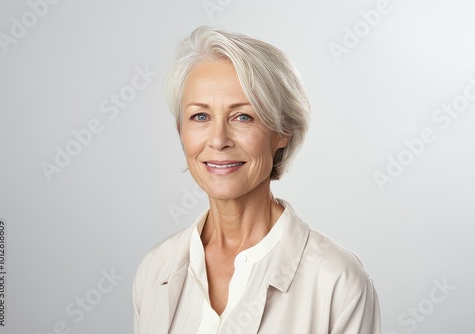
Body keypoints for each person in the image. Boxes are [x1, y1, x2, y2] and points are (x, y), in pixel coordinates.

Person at [133, 25, 380, 334]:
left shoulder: (337, 281)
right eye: (200, 116)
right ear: (181, 130)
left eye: (243, 116)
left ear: (283, 131)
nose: (218, 140)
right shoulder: (155, 270)